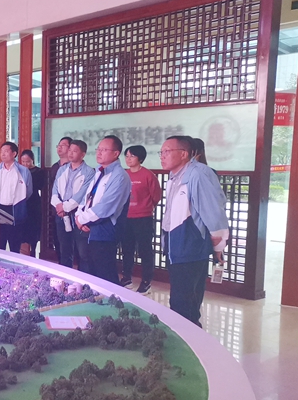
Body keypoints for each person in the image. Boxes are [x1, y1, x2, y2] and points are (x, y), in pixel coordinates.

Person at [160, 136, 229, 327]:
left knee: (184, 304)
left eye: (167, 151)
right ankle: (189, 336)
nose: (162, 156)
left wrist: (219, 246)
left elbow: (214, 213)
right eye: (161, 152)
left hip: (190, 248)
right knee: (181, 301)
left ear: (183, 154)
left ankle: (190, 340)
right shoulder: (175, 176)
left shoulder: (198, 174)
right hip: (176, 247)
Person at [75, 135, 132, 284]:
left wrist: (81, 219)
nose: (99, 153)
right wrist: (78, 216)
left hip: (105, 232)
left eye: (104, 150)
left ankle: (111, 299)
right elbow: (86, 198)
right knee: (90, 274)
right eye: (98, 149)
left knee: (105, 276)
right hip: (90, 229)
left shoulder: (119, 176)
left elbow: (105, 207)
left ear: (116, 153)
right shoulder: (99, 172)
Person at [120, 145, 162, 294]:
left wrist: (145, 207)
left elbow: (156, 196)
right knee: (127, 249)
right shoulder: (123, 174)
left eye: (132, 156)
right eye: (126, 156)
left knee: (145, 251)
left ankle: (146, 281)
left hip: (143, 218)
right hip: (126, 217)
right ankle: (126, 278)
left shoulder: (148, 175)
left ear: (140, 158)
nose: (128, 159)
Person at [51, 140, 95, 272]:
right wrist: (58, 205)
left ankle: (83, 279)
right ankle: (66, 276)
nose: (70, 153)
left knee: (82, 252)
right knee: (64, 249)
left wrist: (64, 207)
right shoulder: (62, 169)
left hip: (78, 214)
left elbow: (82, 195)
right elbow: (55, 190)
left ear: (83, 154)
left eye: (74, 151)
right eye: (69, 150)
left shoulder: (89, 172)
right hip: (61, 214)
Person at [0, 141, 33, 253]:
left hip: (15, 209)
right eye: (1, 151)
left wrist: (20, 201)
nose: (3, 154)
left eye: (6, 151)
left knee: (14, 245)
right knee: (0, 244)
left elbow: (28, 191)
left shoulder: (23, 171)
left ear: (14, 154)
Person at [47, 137, 72, 261]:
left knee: (70, 244)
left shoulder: (73, 167)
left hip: (70, 210)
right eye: (58, 145)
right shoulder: (55, 167)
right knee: (57, 241)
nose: (59, 147)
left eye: (63, 145)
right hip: (55, 210)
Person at [20, 149, 46, 256]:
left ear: (32, 160)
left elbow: (41, 186)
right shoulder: (19, 171)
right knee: (22, 227)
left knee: (34, 227)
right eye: (23, 161)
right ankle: (23, 250)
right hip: (22, 201)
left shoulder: (39, 172)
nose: (25, 164)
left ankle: (33, 250)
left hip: (34, 202)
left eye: (28, 161)